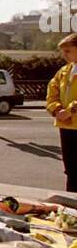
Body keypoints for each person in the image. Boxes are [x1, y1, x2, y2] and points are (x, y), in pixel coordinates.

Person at [46, 32, 77, 192]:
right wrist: (57, 109)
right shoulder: (64, 71)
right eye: (63, 51)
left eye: (68, 51)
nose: (64, 55)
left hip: (73, 120)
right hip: (66, 126)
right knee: (71, 168)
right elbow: (52, 92)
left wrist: (71, 110)